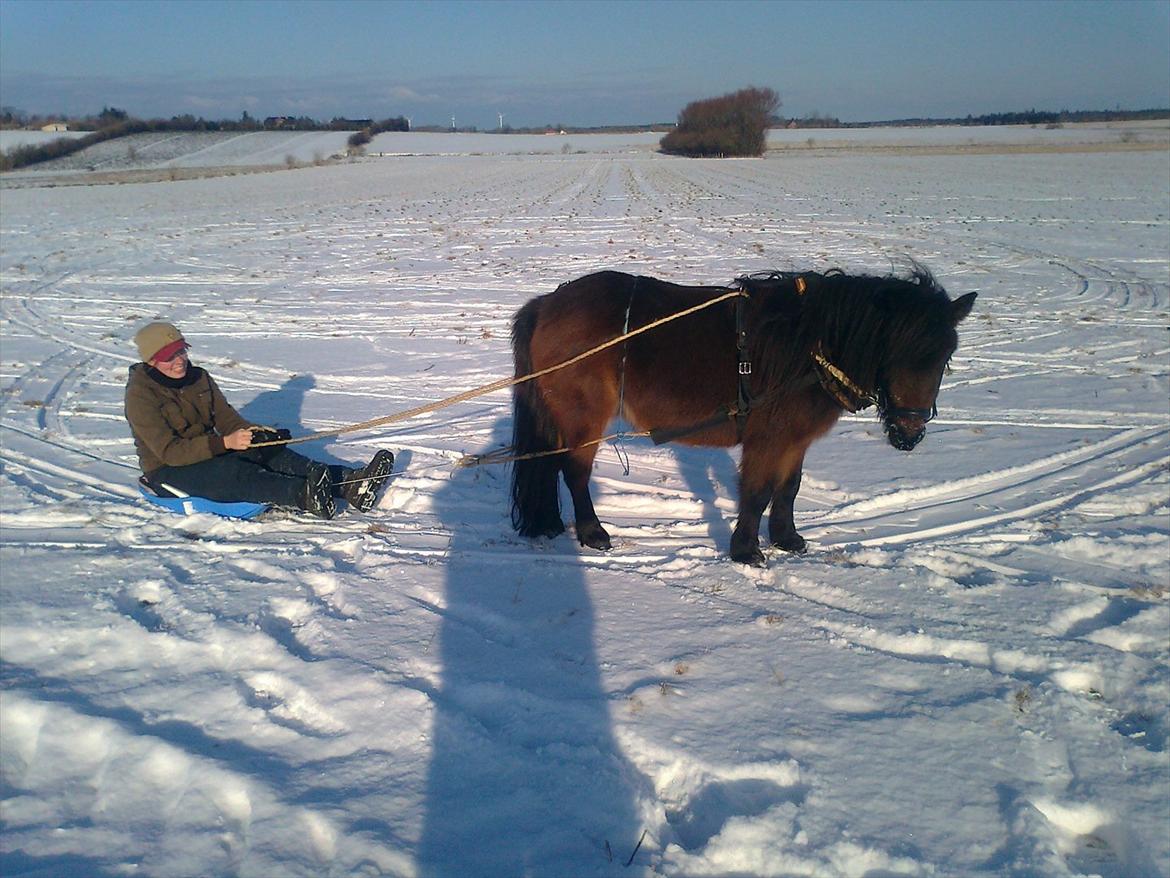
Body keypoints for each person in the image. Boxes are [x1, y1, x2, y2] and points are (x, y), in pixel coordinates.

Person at [124, 321, 393, 519]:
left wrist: (256, 435)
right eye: (169, 357)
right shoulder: (140, 395)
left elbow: (227, 419)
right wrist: (225, 443)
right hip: (169, 469)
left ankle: (351, 484)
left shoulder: (199, 377)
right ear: (151, 361)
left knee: (269, 453)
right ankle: (304, 495)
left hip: (209, 450)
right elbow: (170, 452)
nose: (179, 361)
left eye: (181, 351)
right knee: (235, 473)